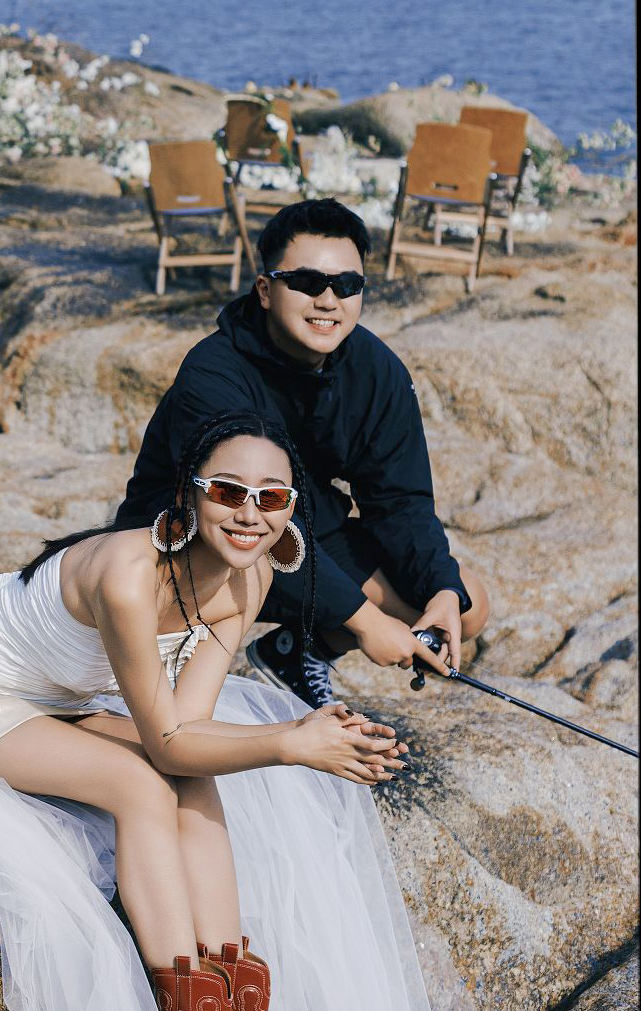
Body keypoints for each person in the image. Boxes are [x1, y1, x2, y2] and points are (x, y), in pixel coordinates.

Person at [0, 412, 507, 1011]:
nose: (249, 513)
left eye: (272, 498)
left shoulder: (247, 582)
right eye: (228, 491)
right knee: (140, 785)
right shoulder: (128, 572)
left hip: (52, 697)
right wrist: (291, 742)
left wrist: (309, 736)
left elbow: (189, 732)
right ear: (189, 496)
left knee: (193, 782)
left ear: (290, 511)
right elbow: (165, 743)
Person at [114, 197, 491, 710]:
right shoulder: (213, 373)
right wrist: (366, 621)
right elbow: (241, 518)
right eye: (308, 283)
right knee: (255, 549)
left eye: (347, 285)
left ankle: (297, 653)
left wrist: (443, 590)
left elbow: (401, 502)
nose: (329, 300)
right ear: (265, 290)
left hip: (306, 529)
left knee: (465, 605)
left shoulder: (376, 371)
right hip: (203, 541)